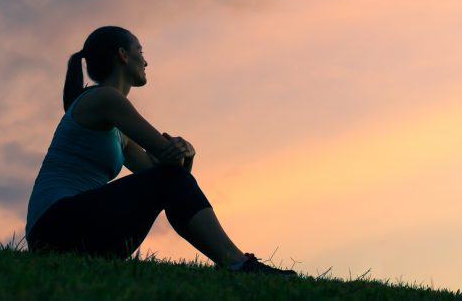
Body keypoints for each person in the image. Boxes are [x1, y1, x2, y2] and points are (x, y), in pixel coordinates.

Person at [24, 26, 296, 276]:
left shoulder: (119, 133)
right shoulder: (105, 99)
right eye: (140, 52)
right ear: (122, 55)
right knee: (169, 181)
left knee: (170, 181)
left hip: (69, 231)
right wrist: (180, 149)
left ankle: (238, 264)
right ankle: (239, 264)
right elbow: (166, 160)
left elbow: (165, 175)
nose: (145, 61)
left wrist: (185, 155)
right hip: (56, 225)